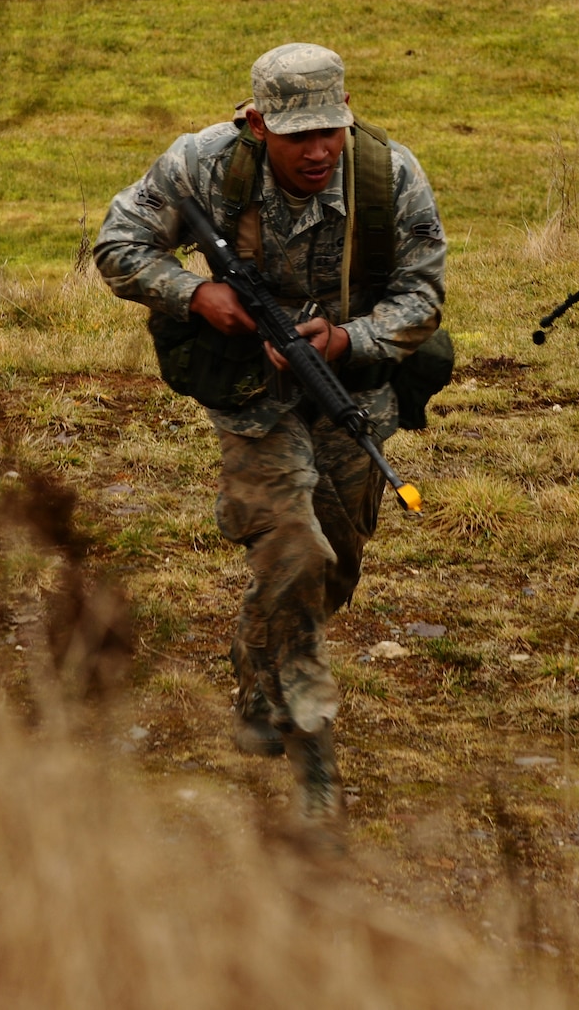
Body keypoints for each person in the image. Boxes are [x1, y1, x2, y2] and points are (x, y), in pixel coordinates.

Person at [94, 43, 447, 827]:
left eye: (331, 130)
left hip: (352, 392)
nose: (319, 150)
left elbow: (423, 295)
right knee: (295, 547)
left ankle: (258, 664)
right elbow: (117, 246)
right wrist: (195, 294)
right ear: (257, 124)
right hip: (252, 399)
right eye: (298, 136)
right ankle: (313, 742)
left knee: (334, 566)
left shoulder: (391, 177)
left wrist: (347, 342)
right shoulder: (201, 166)